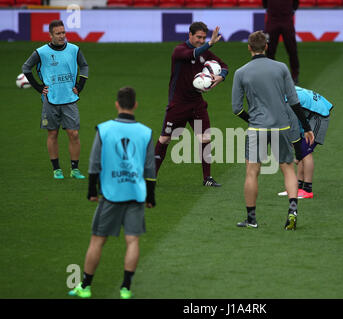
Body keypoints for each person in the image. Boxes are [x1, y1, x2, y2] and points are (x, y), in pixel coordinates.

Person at [68, 87, 156, 299]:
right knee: (133, 241)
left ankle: (86, 286)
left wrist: (91, 191)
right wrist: (151, 196)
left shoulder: (104, 129)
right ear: (135, 105)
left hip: (110, 194)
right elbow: (150, 168)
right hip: (135, 194)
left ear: (117, 104)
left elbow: (94, 163)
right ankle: (126, 288)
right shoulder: (145, 132)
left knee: (97, 241)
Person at [232, 31, 314, 231]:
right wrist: (306, 127)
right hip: (282, 126)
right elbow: (294, 101)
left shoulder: (241, 72)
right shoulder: (281, 68)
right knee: (287, 169)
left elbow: (237, 108)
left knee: (252, 172)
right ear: (267, 47)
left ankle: (251, 219)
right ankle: (292, 212)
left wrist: (251, 120)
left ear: (249, 48)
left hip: (257, 128)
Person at [154, 22, 228, 187]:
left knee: (205, 139)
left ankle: (207, 178)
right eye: (198, 37)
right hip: (178, 105)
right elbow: (193, 54)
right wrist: (210, 43)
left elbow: (224, 66)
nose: (201, 40)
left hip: (197, 104)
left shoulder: (205, 53)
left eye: (204, 38)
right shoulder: (179, 51)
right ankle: (151, 176)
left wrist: (221, 77)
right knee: (165, 139)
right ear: (190, 35)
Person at [22, 20, 89, 180]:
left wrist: (80, 86)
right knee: (52, 133)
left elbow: (84, 66)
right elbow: (26, 68)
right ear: (50, 35)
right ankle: (56, 169)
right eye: (58, 33)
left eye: (63, 33)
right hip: (50, 100)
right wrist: (39, 88)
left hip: (69, 99)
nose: (61, 36)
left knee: (74, 134)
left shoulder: (74, 49)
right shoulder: (41, 52)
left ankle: (75, 169)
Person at [278, 86, 333, 199]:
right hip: (311, 114)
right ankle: (297, 188)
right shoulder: (282, 90)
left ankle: (308, 189)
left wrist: (296, 146)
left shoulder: (285, 99)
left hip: (319, 116)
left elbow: (293, 124)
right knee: (302, 151)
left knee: (305, 152)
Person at [263, 0, 300, 84]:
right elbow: (264, 4)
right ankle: (270, 75)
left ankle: (295, 75)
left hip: (286, 20)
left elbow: (295, 3)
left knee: (292, 49)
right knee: (269, 50)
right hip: (273, 20)